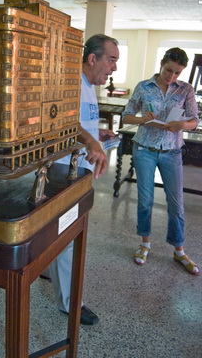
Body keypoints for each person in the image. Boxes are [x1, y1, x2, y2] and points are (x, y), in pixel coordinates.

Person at [41, 34, 120, 325]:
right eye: (111, 60)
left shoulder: (88, 86)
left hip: (76, 170)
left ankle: (48, 270)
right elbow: (61, 121)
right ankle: (70, 304)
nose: (113, 68)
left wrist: (96, 135)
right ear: (92, 59)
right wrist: (90, 140)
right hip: (61, 172)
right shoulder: (70, 81)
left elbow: (79, 124)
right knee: (68, 235)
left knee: (63, 233)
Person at [122, 47, 200, 275]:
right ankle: (145, 244)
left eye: (177, 73)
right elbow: (126, 115)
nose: (172, 77)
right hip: (144, 149)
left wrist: (182, 125)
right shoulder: (144, 87)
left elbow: (195, 119)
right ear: (161, 64)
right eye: (169, 70)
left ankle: (179, 250)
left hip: (172, 151)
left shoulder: (185, 89)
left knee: (176, 203)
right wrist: (141, 119)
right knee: (145, 200)